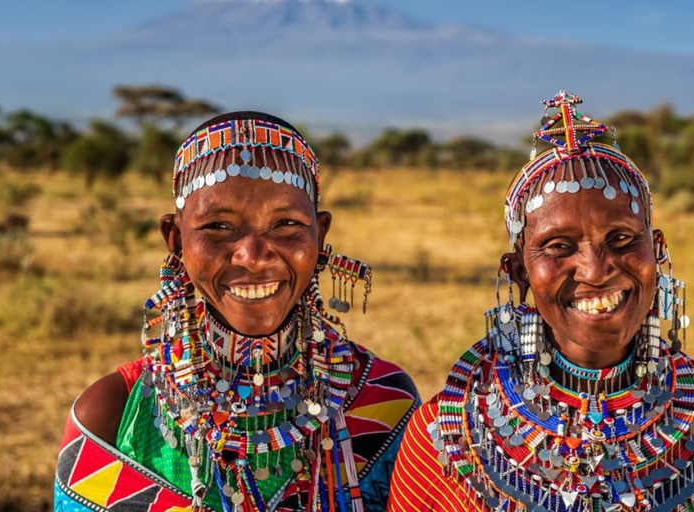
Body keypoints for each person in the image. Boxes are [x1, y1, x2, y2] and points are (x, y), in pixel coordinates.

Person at [388, 91, 694, 512]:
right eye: (558, 246)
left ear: (658, 251)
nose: (595, 270)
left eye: (622, 239)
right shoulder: (446, 438)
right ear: (519, 272)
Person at [54, 111, 420, 512]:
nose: (253, 256)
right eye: (218, 227)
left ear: (321, 235)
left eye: (286, 223)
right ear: (175, 240)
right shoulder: (112, 414)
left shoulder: (382, 402)